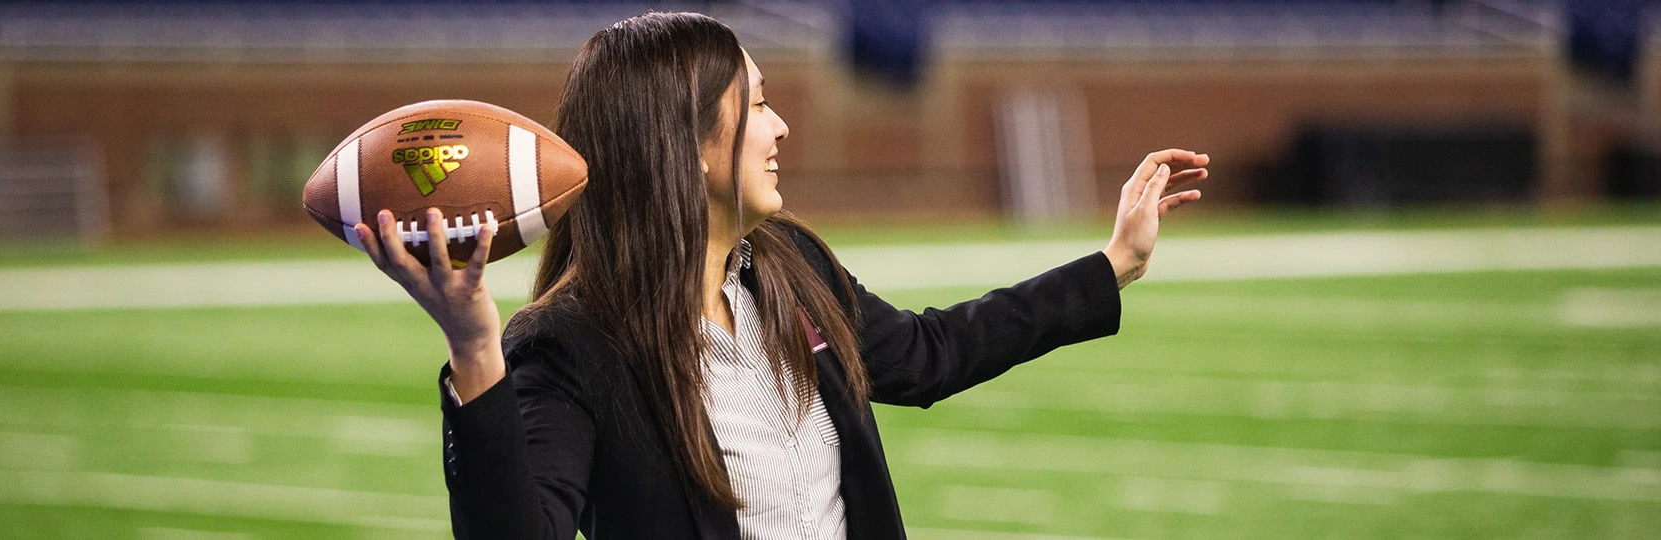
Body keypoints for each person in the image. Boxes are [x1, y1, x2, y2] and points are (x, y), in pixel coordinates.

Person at [353, 11, 1209, 540]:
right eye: (757, 104)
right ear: (685, 149)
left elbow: (929, 351)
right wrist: (475, 351)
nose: (783, 126)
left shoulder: (791, 268)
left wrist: (1113, 266)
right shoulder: (569, 346)